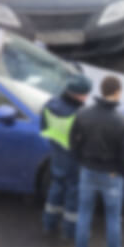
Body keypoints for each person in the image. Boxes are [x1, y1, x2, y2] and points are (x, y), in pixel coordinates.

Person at [68, 75, 124, 247]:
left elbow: (73, 141)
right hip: (111, 176)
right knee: (113, 219)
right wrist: (120, 172)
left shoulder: (83, 113)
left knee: (84, 215)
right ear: (117, 93)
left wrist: (82, 161)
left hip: (88, 172)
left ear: (101, 90)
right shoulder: (122, 121)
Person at [40, 75, 92, 237]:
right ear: (77, 94)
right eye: (85, 93)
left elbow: (44, 127)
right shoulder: (80, 115)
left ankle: (49, 223)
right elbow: (85, 141)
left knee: (56, 187)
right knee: (73, 193)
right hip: (74, 159)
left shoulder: (50, 106)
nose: (87, 97)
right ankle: (70, 230)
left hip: (57, 153)